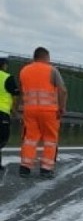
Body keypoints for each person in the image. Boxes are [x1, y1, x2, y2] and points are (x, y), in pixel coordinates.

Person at [17, 46, 67, 178]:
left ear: (34, 57)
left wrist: (20, 106)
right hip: (49, 111)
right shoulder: (52, 70)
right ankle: (46, 169)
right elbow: (62, 90)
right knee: (50, 139)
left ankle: (25, 168)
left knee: (30, 138)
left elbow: (22, 91)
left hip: (30, 110)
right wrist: (61, 107)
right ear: (46, 57)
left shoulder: (24, 70)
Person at [0, 57, 19, 172]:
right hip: (2, 113)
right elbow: (15, 95)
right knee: (2, 139)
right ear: (4, 65)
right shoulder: (8, 78)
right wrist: (14, 110)